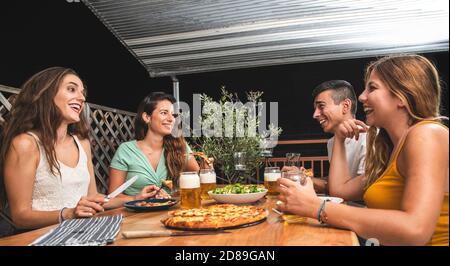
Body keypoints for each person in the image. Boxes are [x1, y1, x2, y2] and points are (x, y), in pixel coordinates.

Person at [277, 54, 448, 246]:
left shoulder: (426, 133)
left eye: (372, 88)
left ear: (402, 96)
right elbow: (340, 190)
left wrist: (317, 207)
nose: (361, 96)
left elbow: (416, 230)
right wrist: (340, 140)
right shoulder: (390, 149)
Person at [0, 67, 163, 230]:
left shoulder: (82, 142)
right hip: (41, 237)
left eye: (82, 92)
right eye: (72, 89)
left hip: (83, 232)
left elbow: (93, 197)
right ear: (46, 95)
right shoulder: (25, 144)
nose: (81, 98)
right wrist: (68, 214)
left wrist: (136, 198)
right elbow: (20, 216)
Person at [108, 92, 207, 201]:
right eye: (164, 113)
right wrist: (137, 198)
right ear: (147, 117)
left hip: (172, 213)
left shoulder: (180, 147)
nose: (171, 119)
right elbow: (113, 197)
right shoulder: (126, 150)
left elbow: (198, 180)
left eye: (173, 115)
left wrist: (206, 170)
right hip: (134, 215)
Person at [283, 80, 366, 196]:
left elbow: (360, 191)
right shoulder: (332, 142)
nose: (315, 114)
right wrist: (303, 177)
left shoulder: (368, 138)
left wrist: (307, 180)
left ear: (345, 106)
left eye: (321, 106)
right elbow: (336, 180)